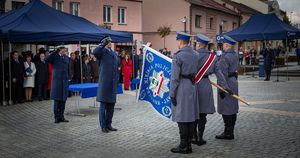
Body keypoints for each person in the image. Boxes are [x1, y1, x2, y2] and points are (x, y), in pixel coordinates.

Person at [192, 34, 230, 146]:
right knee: (202, 114)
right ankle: (200, 138)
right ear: (206, 45)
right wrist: (225, 87)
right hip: (205, 85)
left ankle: (193, 137)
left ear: (198, 44)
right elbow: (219, 74)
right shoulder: (213, 57)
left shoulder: (193, 55)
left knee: (193, 112)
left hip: (192, 85)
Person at [170, 32, 199, 154]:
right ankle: (189, 145)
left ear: (181, 41)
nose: (177, 43)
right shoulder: (195, 54)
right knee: (191, 116)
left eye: (177, 41)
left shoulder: (178, 56)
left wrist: (172, 94)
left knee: (181, 116)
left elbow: (175, 78)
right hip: (192, 86)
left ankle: (183, 145)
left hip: (182, 86)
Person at [92, 36, 119, 133]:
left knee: (111, 106)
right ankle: (103, 126)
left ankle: (109, 124)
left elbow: (116, 67)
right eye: (108, 41)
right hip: (105, 83)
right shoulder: (102, 51)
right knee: (103, 106)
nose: (110, 43)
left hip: (112, 83)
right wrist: (102, 44)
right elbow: (95, 52)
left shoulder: (113, 53)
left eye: (110, 41)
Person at [215, 35, 239, 140]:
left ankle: (227, 133)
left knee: (226, 108)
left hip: (226, 83)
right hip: (233, 82)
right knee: (232, 107)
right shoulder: (235, 55)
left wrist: (221, 88)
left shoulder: (225, 57)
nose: (222, 47)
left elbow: (222, 74)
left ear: (226, 45)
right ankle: (231, 131)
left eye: (223, 45)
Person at [46, 46, 69, 124]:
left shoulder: (66, 58)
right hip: (57, 82)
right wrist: (55, 51)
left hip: (64, 82)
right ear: (60, 50)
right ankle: (56, 117)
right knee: (57, 101)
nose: (64, 51)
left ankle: (62, 116)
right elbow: (47, 59)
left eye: (65, 49)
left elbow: (68, 68)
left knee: (63, 101)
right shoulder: (55, 57)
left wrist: (69, 78)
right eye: (63, 49)